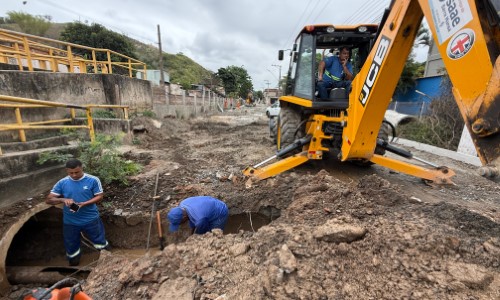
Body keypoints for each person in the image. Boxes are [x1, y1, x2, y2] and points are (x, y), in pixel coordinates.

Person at [46, 158, 110, 266]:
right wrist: (62, 199)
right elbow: (48, 200)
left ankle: (109, 261)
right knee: (71, 245)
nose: (74, 175)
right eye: (71, 173)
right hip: (70, 222)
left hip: (91, 219)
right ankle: (74, 263)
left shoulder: (93, 180)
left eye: (77, 172)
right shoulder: (62, 183)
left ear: (82, 168)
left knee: (99, 241)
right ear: (67, 171)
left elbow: (99, 196)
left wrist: (83, 204)